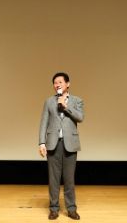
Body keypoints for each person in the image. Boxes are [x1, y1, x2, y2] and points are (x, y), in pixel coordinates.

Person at [38, 72, 84, 220]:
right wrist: (42, 142)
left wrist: (65, 106)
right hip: (53, 143)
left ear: (67, 84)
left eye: (60, 82)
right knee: (54, 179)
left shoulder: (77, 100)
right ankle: (54, 208)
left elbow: (80, 117)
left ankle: (71, 209)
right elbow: (44, 122)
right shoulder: (49, 101)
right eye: (55, 82)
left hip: (70, 144)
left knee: (69, 179)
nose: (57, 84)